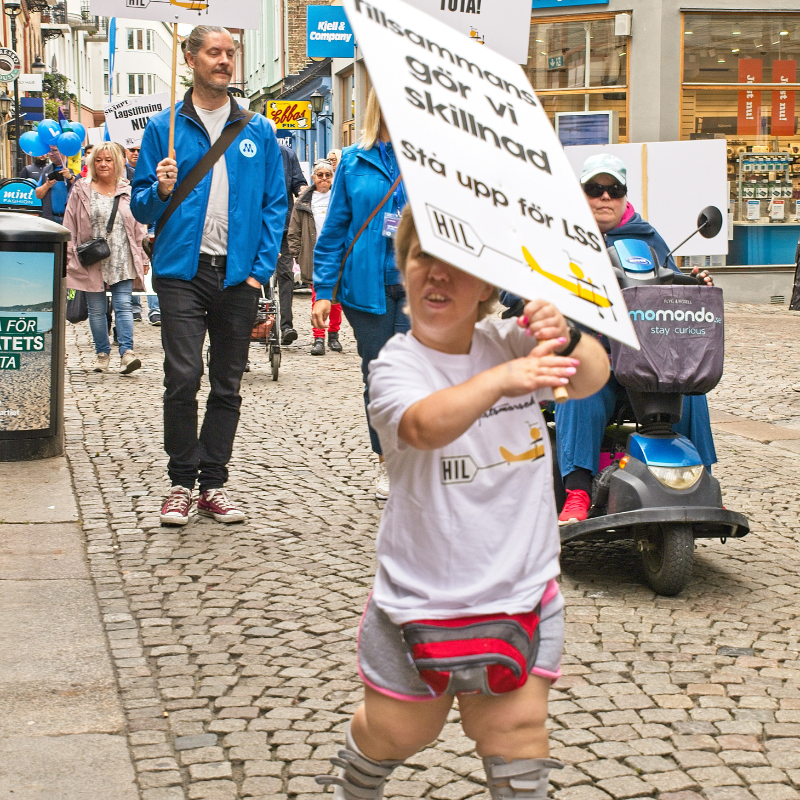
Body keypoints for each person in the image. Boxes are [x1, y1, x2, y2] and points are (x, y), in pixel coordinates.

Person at [314, 207, 609, 800]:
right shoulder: (397, 362)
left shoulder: (514, 340)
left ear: (487, 285)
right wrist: (502, 380)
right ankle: (357, 779)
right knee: (401, 731)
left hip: (521, 590)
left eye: (458, 261)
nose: (438, 275)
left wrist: (569, 334)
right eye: (423, 256)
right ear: (403, 268)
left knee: (517, 729)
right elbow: (424, 426)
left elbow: (590, 378)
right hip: (419, 600)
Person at [131, 24, 286, 527]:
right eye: (213, 53)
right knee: (182, 377)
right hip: (181, 270)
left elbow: (273, 205)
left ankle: (212, 485)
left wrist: (258, 270)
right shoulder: (164, 128)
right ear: (191, 59)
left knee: (227, 383)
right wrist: (158, 187)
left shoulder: (258, 129)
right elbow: (142, 210)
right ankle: (180, 480)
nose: (224, 61)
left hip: (237, 275)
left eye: (229, 53)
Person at [555, 153, 717, 524]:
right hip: (594, 355)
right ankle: (577, 492)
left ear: (626, 196)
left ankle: (703, 478)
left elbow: (671, 284)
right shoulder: (560, 235)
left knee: (690, 388)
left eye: (614, 190)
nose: (605, 198)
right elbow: (517, 287)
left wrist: (694, 286)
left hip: (644, 357)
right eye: (595, 189)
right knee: (580, 384)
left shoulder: (646, 237)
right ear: (581, 194)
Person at [312, 88, 410, 500]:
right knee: (380, 376)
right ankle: (388, 459)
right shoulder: (353, 160)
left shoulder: (432, 158)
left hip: (419, 287)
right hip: (366, 287)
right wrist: (322, 290)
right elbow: (335, 229)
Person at [64, 142, 148, 374]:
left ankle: (127, 353)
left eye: (108, 160)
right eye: (99, 160)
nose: (103, 164)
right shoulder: (82, 189)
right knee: (97, 309)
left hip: (123, 255)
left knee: (123, 305)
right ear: (92, 163)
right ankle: (102, 353)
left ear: (117, 163)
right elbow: (69, 223)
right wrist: (70, 253)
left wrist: (143, 256)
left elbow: (139, 225)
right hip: (91, 257)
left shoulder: (128, 191)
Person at [286, 159, 342, 356]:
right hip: (313, 257)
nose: (324, 178)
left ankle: (334, 334)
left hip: (336, 256)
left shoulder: (339, 198)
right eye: (320, 175)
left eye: (328, 175)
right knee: (317, 297)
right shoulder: (303, 203)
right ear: (313, 178)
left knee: (335, 299)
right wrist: (298, 255)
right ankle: (319, 337)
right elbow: (293, 232)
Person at [272, 130, 307, 346]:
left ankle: (286, 326)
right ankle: (254, 325)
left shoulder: (286, 154)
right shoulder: (249, 152)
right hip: (255, 227)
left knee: (285, 275)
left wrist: (303, 190)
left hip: (283, 225)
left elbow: (298, 182)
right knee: (254, 275)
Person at [35, 145, 76, 223]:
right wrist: (47, 185)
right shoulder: (46, 169)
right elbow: (38, 195)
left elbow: (83, 189)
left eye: (55, 150)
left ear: (63, 151)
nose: (51, 154)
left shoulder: (74, 167)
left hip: (71, 218)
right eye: (49, 151)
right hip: (51, 218)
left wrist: (70, 178)